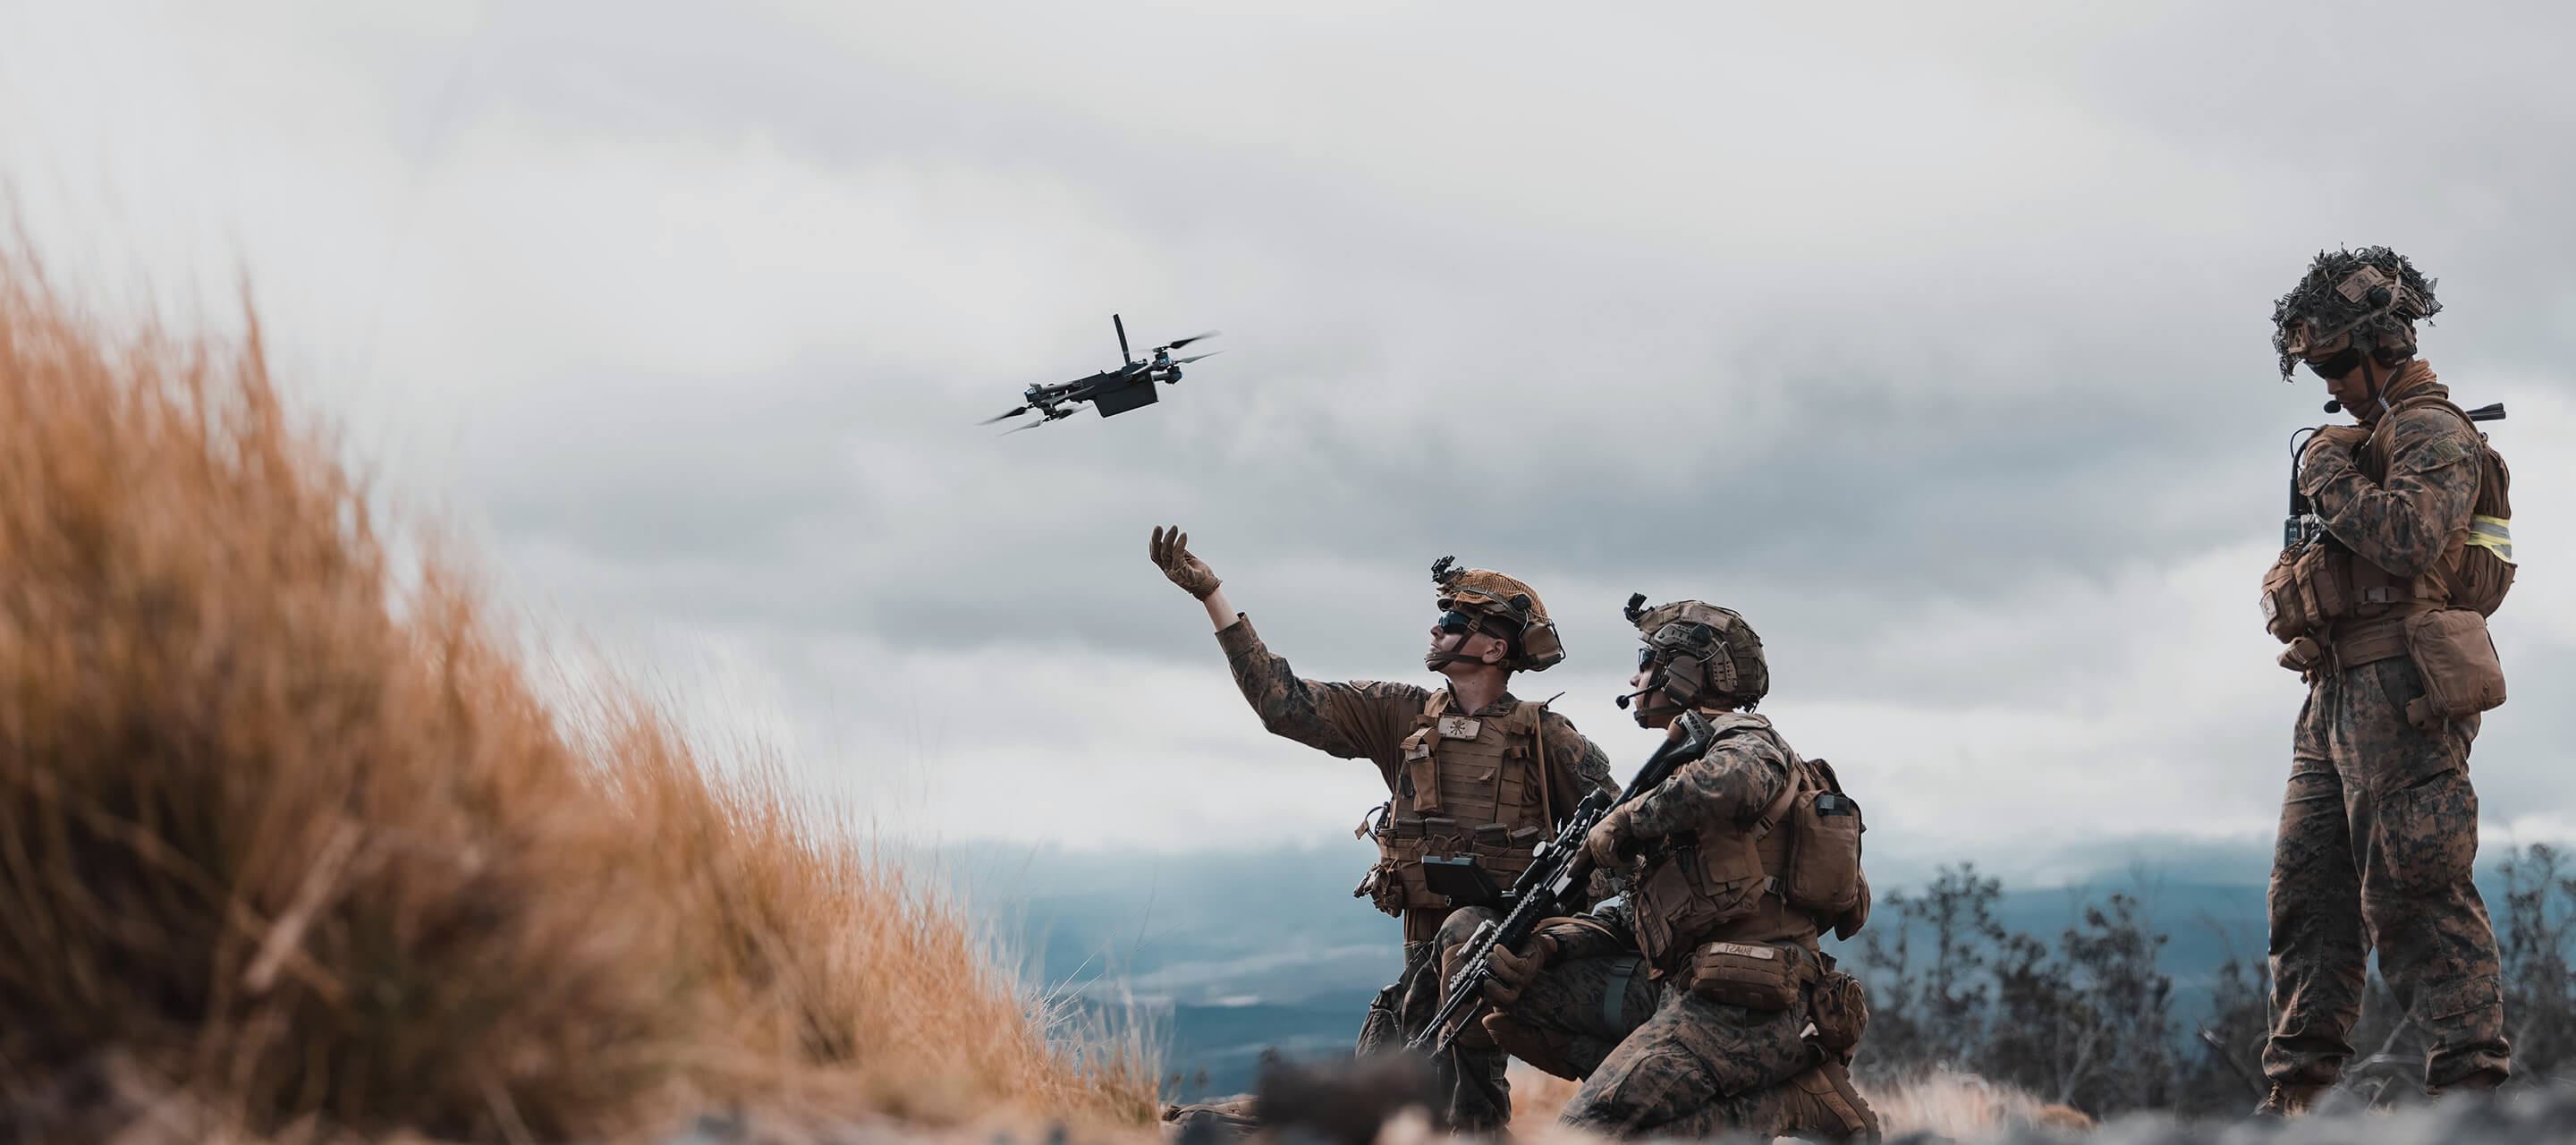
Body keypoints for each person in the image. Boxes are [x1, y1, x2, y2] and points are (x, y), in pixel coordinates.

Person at [1148, 526, 1614, 1132]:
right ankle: (1201, 1123)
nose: (1435, 627)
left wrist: (1559, 945)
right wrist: (1213, 598)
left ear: (1495, 649)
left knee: (1461, 1113)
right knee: (1370, 1105)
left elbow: (1617, 838)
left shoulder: (1547, 737)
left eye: (1452, 618)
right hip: (1422, 968)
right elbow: (1281, 703)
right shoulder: (1401, 713)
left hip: (1502, 966)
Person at [1452, 597, 1877, 1140]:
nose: (1636, 676)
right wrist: (1548, 947)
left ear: (1685, 671)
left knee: (1590, 1130)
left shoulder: (1749, 741)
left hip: (1747, 1001)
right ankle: (1663, 1090)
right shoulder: (1681, 773)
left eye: (1647, 661)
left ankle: (1790, 1100)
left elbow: (1738, 781)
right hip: (1684, 988)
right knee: (1515, 1001)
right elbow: (1638, 917)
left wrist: (1626, 821)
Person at [2254, 247, 2517, 1115]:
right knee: (2308, 894)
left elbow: (2405, 537)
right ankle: (2300, 1093)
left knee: (2417, 885)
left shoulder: (2437, 432)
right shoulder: (2365, 436)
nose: (2331, 384)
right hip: (2331, 692)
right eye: (2319, 365)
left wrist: (2325, 470)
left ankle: (2473, 1093)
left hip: (2401, 689)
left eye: (2337, 361)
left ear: (2384, 342)